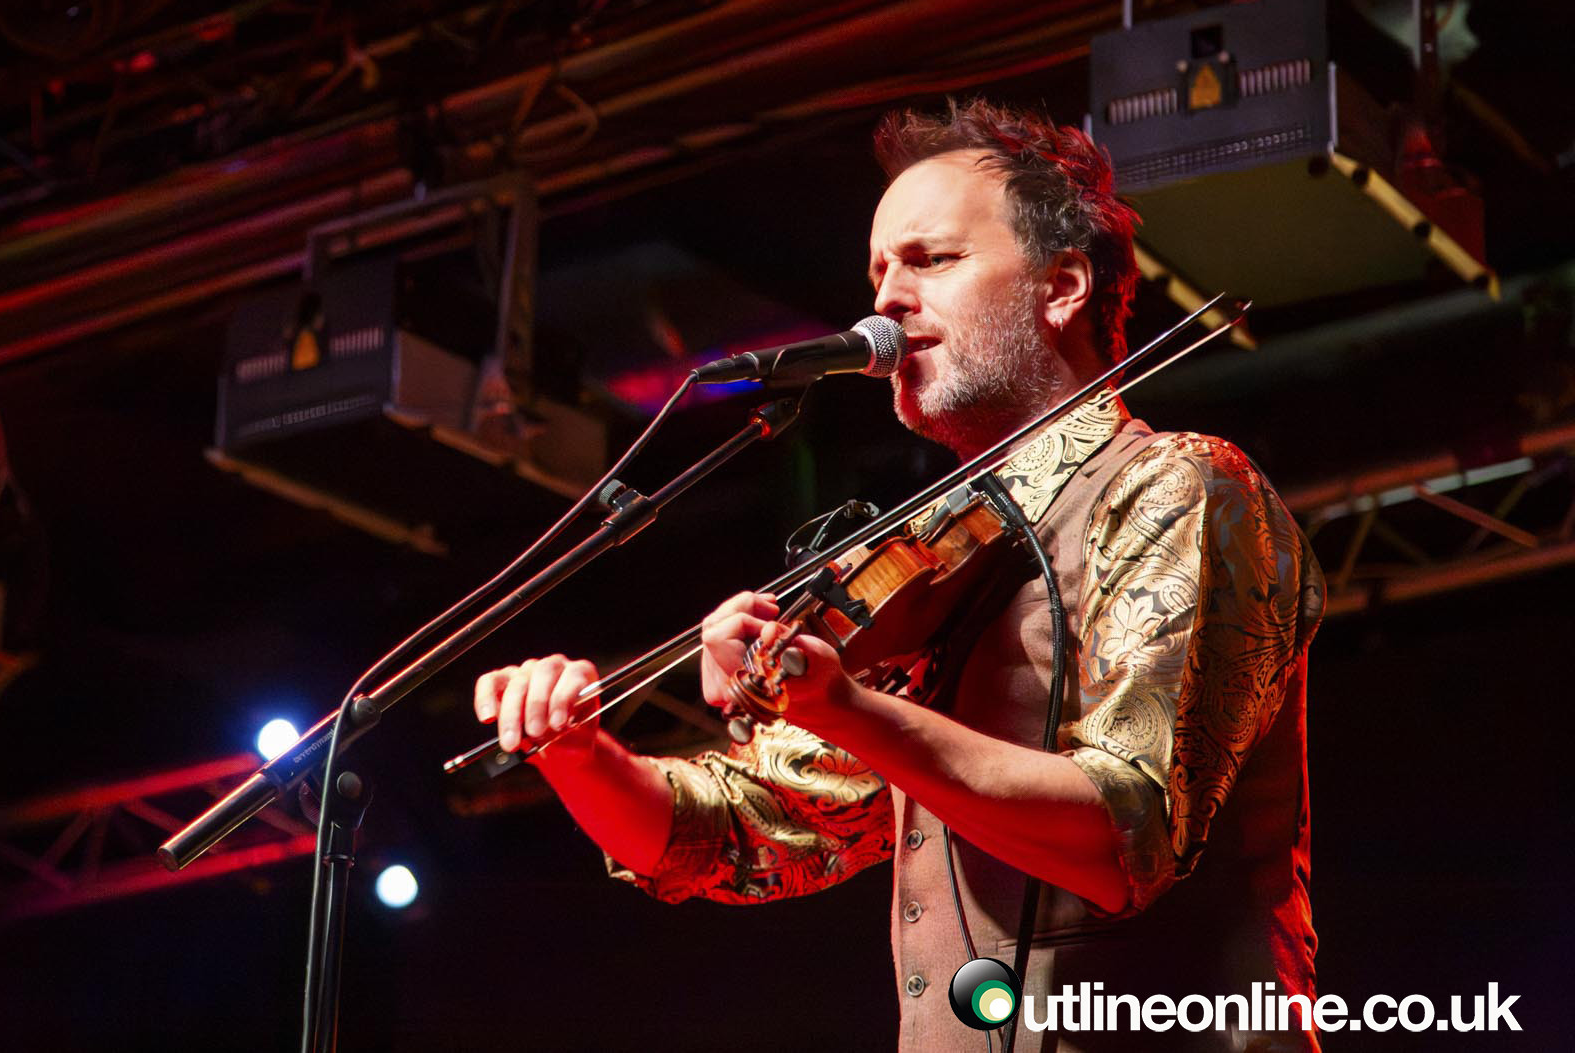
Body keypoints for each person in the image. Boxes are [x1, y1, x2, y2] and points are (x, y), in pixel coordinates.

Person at [473, 100, 1324, 1052]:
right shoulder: (935, 564)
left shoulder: (1177, 484)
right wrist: (580, 755)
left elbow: (1128, 836)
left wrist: (846, 706)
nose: (885, 301)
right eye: (878, 271)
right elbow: (742, 833)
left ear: (1062, 286)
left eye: (932, 260)